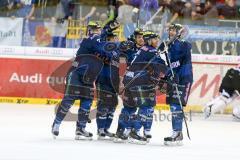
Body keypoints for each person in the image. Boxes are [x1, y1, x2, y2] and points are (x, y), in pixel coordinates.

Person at [51, 20, 119, 140]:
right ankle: (56, 124)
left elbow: (102, 41)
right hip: (77, 74)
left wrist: (108, 28)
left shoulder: (96, 40)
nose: (98, 31)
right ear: (90, 30)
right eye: (96, 29)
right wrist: (117, 49)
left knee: (86, 103)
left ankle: (80, 129)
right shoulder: (92, 40)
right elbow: (104, 49)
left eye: (99, 29)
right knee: (68, 101)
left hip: (88, 76)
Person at [116, 31, 166, 144]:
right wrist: (169, 74)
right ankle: (135, 132)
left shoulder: (142, 49)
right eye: (154, 39)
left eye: (157, 38)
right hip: (139, 81)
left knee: (129, 107)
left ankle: (120, 131)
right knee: (147, 106)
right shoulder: (151, 51)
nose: (157, 41)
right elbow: (160, 66)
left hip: (129, 80)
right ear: (149, 41)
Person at [163, 23, 193, 146]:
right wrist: (167, 75)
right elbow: (167, 63)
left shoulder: (184, 43)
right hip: (172, 78)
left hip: (183, 79)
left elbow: (183, 50)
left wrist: (172, 42)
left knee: (177, 107)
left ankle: (177, 133)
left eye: (174, 30)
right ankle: (176, 131)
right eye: (170, 30)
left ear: (179, 33)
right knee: (173, 106)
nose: (171, 32)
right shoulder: (167, 45)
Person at [114, 28, 145, 142]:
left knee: (139, 108)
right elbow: (118, 49)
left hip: (143, 82)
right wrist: (124, 44)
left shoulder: (148, 50)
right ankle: (120, 130)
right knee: (128, 107)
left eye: (143, 37)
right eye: (139, 37)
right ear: (135, 39)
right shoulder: (130, 49)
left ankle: (132, 131)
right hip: (131, 82)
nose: (141, 39)